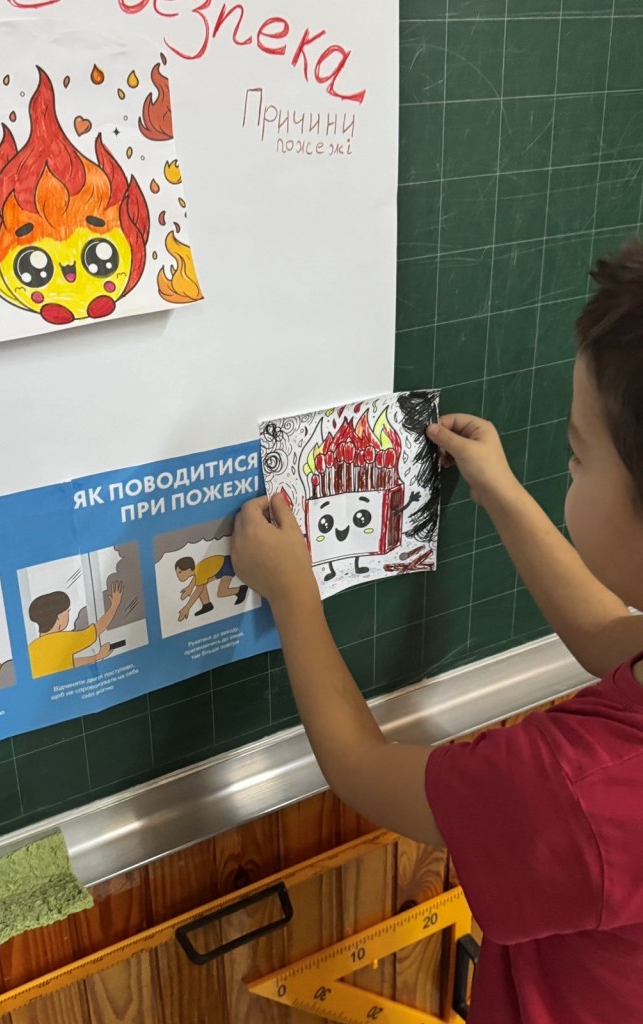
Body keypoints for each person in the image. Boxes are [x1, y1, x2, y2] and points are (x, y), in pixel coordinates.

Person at [232, 241, 643, 1023]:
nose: (568, 467)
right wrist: (501, 492)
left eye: (577, 454)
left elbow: (360, 767)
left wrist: (293, 592)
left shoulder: (578, 790)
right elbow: (606, 635)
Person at [27, 580, 124, 678]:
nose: (68, 615)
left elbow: (66, 663)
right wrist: (114, 605)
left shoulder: (31, 647)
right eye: (67, 612)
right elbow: (96, 630)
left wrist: (98, 656)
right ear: (59, 617)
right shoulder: (62, 640)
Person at [174, 554, 248, 621]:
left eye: (180, 572)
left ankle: (241, 590)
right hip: (219, 567)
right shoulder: (197, 570)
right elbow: (196, 578)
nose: (178, 575)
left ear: (189, 569)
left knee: (221, 593)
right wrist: (189, 588)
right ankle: (207, 605)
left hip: (226, 565)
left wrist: (186, 608)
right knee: (202, 583)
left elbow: (198, 591)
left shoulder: (199, 572)